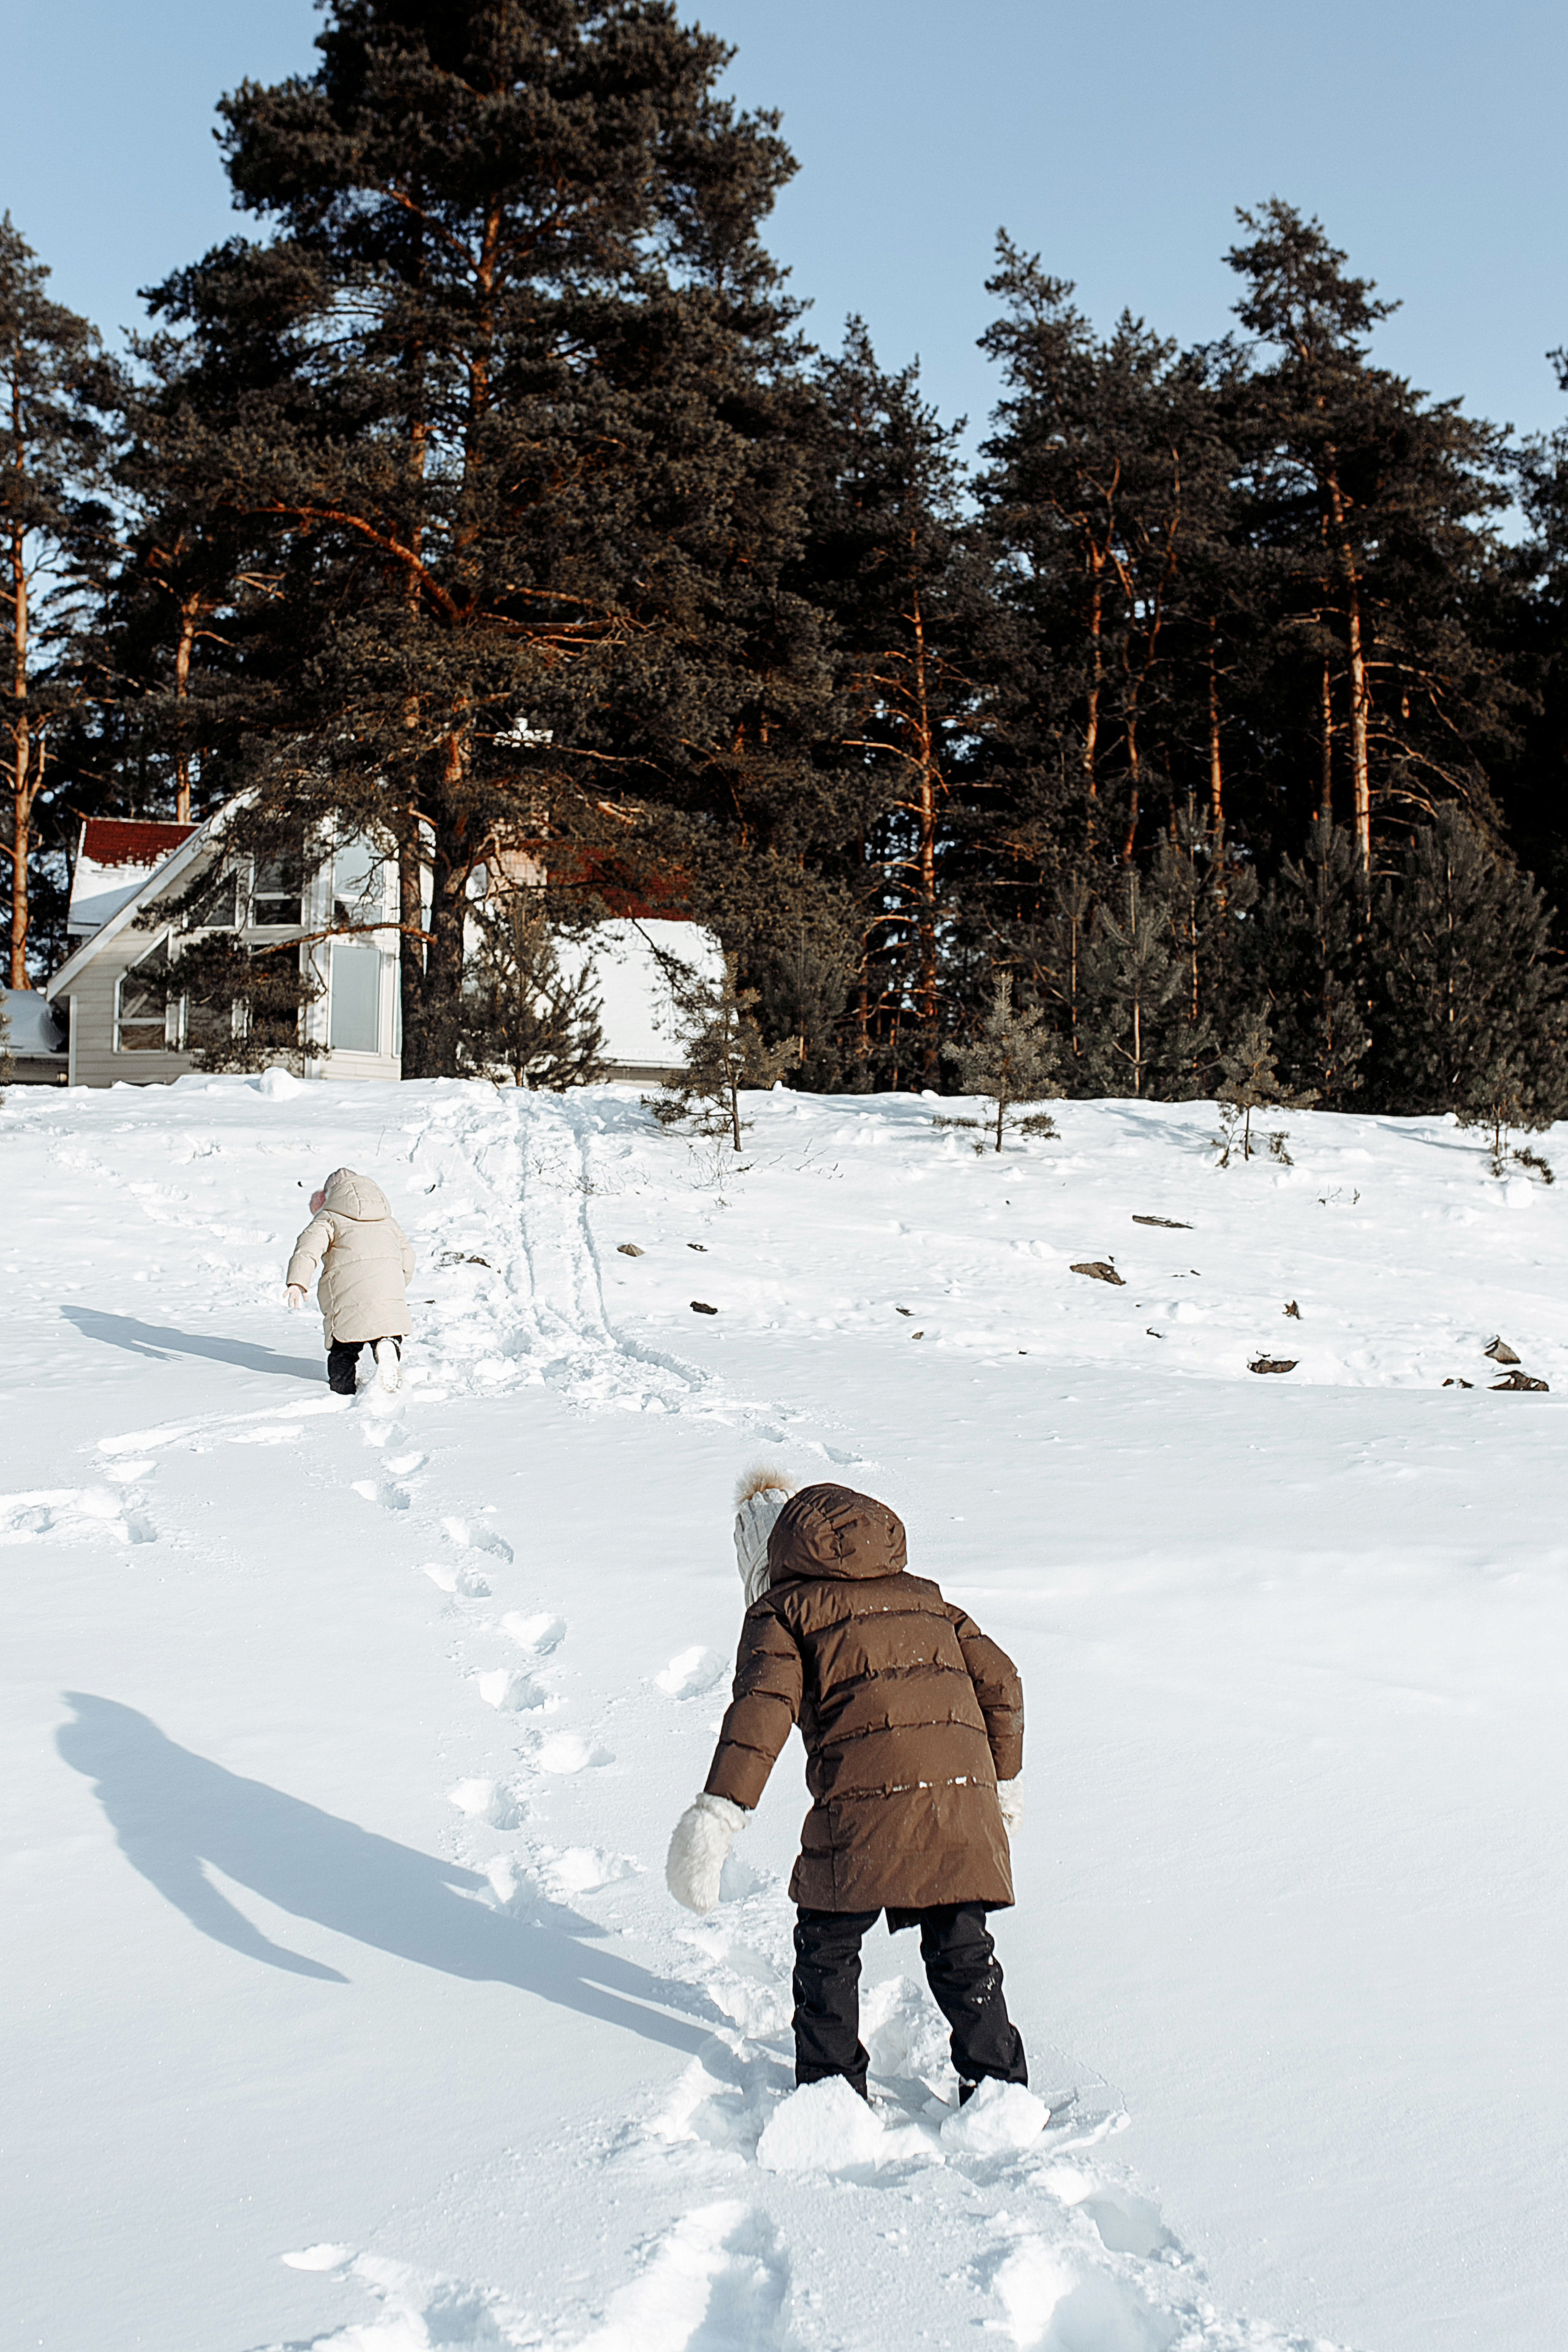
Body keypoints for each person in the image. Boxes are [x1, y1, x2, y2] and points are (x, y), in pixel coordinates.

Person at [666, 1471, 1028, 2106]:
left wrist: (719, 1813)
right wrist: (1001, 1784)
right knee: (961, 1945)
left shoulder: (782, 1611)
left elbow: (761, 1710)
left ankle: (831, 2091)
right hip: (961, 1798)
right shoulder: (930, 1599)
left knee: (828, 1943)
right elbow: (1001, 1682)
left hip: (861, 1805)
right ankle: (997, 2086)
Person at [286, 1167, 416, 1395]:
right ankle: (387, 1346)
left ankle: (342, 1391)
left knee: (344, 1348)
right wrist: (396, 1285)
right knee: (386, 1330)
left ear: (328, 1196)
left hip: (348, 1296)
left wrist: (298, 1282)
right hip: (387, 1292)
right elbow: (408, 1256)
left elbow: (308, 1248)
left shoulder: (329, 1217)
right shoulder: (387, 1220)